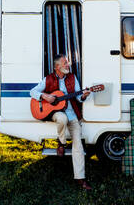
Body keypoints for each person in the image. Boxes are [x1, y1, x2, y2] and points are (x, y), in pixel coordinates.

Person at [30, 54, 92, 190]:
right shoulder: (48, 79)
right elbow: (32, 91)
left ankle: (80, 178)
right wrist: (44, 95)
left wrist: (84, 95)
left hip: (72, 114)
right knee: (62, 118)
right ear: (57, 66)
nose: (68, 65)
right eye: (65, 63)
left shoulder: (72, 77)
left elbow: (79, 97)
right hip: (57, 114)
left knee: (78, 147)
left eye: (67, 63)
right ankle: (62, 143)